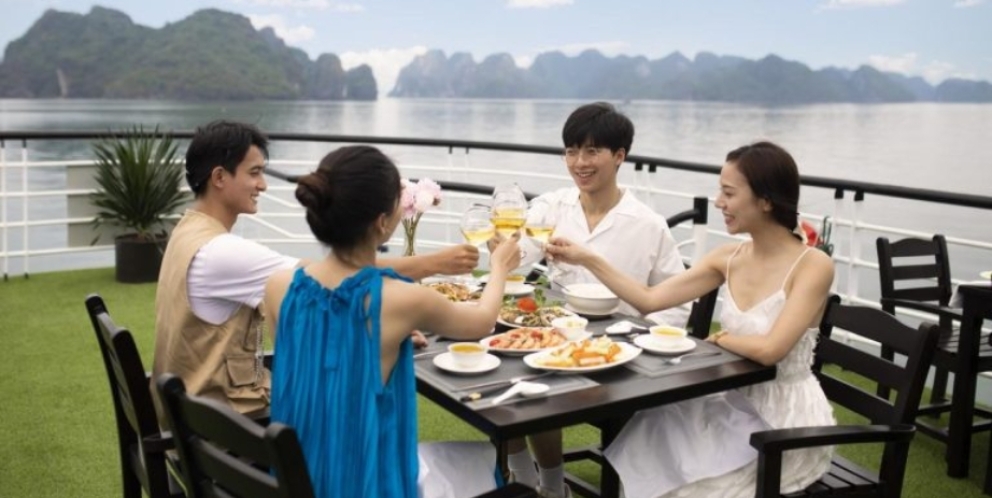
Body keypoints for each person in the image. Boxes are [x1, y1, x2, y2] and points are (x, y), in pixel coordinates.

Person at [547, 141, 836, 498]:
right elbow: (649, 299)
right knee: (647, 435)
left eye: (728, 193)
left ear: (765, 200)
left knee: (690, 484)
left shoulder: (813, 265)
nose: (718, 202)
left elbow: (771, 349)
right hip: (731, 402)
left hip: (783, 421)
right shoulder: (728, 257)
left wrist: (722, 340)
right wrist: (587, 258)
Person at [152, 120, 482, 416]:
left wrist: (383, 327)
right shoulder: (221, 252)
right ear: (220, 177)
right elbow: (334, 274)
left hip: (193, 417)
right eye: (254, 172)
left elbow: (323, 287)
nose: (264, 185)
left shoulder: (187, 230)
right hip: (229, 427)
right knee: (354, 402)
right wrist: (435, 263)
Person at [262, 145, 522, 498]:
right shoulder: (399, 299)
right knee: (489, 467)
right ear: (382, 222)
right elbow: (481, 321)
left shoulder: (279, 286)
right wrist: (499, 268)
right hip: (369, 484)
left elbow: (317, 360)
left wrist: (385, 335)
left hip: (300, 478)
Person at [496, 102, 689, 498]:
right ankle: (534, 483)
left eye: (592, 151)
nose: (579, 162)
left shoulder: (647, 224)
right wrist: (503, 246)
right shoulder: (553, 207)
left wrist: (649, 344)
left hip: (620, 353)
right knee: (507, 375)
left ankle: (547, 485)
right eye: (571, 151)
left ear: (619, 156)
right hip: (559, 339)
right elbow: (519, 256)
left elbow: (677, 303)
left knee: (532, 381)